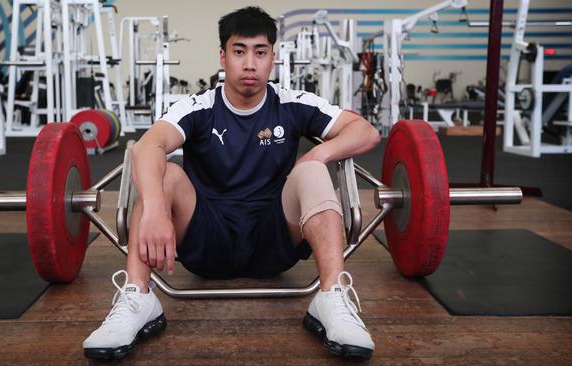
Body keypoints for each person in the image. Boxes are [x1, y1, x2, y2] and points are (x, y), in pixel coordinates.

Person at [83, 6, 381, 361]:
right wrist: (155, 209)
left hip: (274, 238)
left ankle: (332, 297)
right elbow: (149, 145)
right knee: (165, 173)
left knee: (313, 171)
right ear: (223, 57)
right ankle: (138, 296)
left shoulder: (292, 103)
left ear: (273, 57)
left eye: (260, 52)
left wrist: (316, 156)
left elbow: (365, 131)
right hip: (206, 240)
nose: (250, 64)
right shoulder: (197, 107)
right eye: (239, 52)